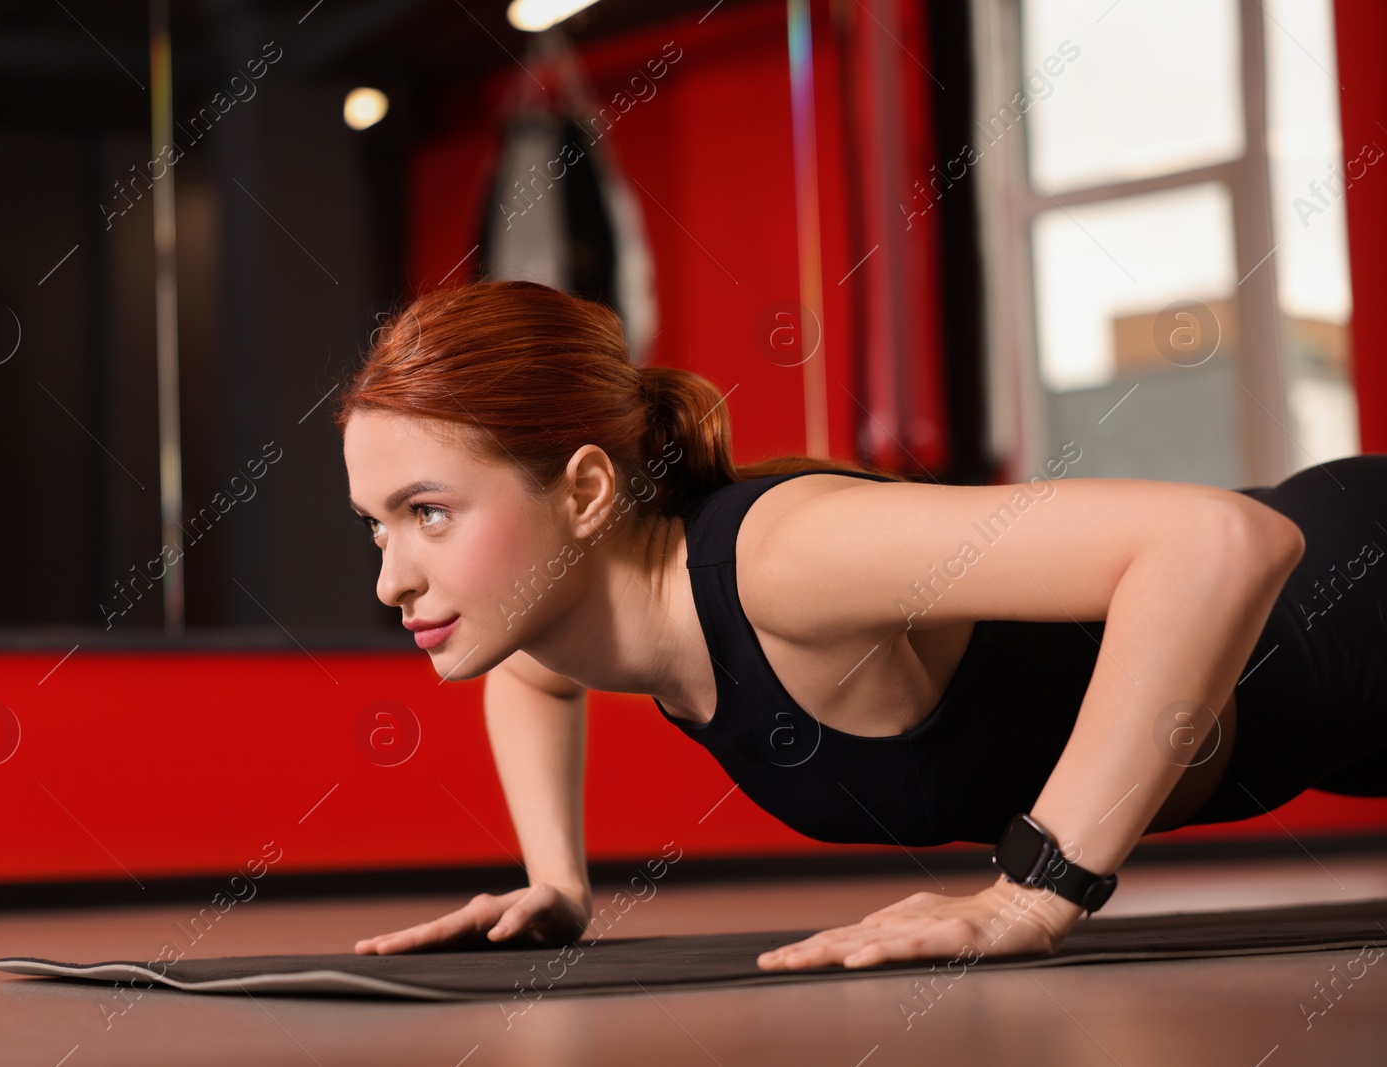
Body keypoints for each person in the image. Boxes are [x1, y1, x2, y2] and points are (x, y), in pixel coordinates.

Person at [338, 279, 1386, 971]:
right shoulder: (585, 616)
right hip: (1326, 728)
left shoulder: (778, 559)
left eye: (430, 511)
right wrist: (557, 881)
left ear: (582, 491)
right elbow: (536, 670)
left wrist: (1038, 889)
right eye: (377, 527)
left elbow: (1219, 544)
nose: (391, 580)